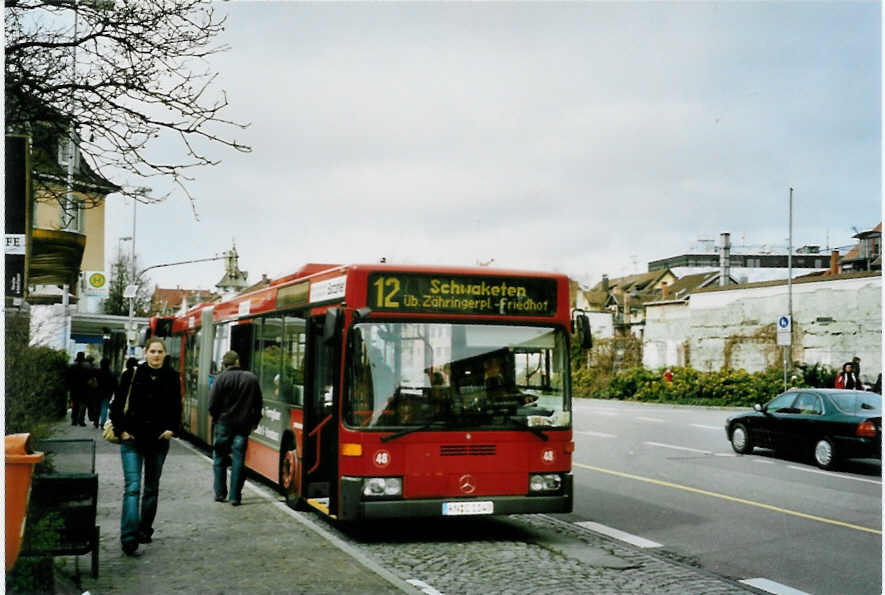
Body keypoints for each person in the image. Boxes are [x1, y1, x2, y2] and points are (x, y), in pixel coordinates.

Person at [108, 337, 182, 556]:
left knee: (151, 488)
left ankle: (144, 530)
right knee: (132, 487)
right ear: (146, 353)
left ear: (164, 354)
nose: (156, 355)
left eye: (160, 352)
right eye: (152, 351)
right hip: (132, 439)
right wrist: (121, 430)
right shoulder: (131, 375)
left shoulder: (171, 377)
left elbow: (177, 407)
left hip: (158, 442)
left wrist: (172, 429)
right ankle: (129, 537)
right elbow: (116, 406)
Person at [209, 350, 263, 507]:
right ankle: (235, 496)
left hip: (223, 424)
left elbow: (212, 404)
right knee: (238, 459)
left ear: (225, 364)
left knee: (219, 458)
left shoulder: (220, 379)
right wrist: (255, 421)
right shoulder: (251, 378)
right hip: (243, 425)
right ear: (238, 362)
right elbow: (258, 404)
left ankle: (220, 493)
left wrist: (216, 418)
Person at [67, 352, 89, 426]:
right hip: (84, 388)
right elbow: (90, 377)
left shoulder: (72, 366)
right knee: (83, 404)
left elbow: (68, 377)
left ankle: (74, 420)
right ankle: (81, 420)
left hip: (74, 388)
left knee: (75, 404)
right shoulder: (87, 366)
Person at [96, 357, 118, 430]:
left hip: (97, 392)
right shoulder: (111, 373)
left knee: (97, 407)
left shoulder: (97, 372)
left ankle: (96, 421)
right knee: (104, 407)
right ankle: (102, 423)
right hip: (107, 392)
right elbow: (115, 385)